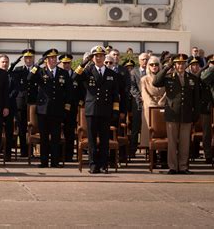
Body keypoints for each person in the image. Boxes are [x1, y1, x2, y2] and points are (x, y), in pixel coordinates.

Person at [73, 45, 120, 174]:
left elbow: (115, 94)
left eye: (101, 56)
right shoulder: (88, 71)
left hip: (105, 110)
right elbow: (74, 77)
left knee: (104, 139)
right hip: (91, 110)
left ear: (104, 57)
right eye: (96, 56)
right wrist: (83, 63)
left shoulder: (112, 74)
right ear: (92, 58)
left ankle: (104, 164)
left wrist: (115, 111)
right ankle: (93, 165)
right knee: (92, 140)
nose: (98, 58)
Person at [153, 54, 200, 174]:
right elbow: (156, 82)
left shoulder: (192, 78)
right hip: (172, 114)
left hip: (187, 114)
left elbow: (196, 98)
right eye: (178, 63)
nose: (181, 65)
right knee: (172, 142)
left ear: (186, 64)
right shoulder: (169, 77)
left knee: (185, 143)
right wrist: (167, 67)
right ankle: (173, 167)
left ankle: (183, 167)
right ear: (174, 64)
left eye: (183, 63)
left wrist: (196, 114)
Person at [28, 49, 71, 168]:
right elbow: (29, 78)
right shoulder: (41, 71)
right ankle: (44, 161)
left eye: (55, 58)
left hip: (57, 110)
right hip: (43, 109)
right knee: (44, 137)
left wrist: (66, 108)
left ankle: (55, 162)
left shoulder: (63, 73)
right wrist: (36, 65)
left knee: (56, 137)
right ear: (46, 60)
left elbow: (68, 91)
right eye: (50, 58)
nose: (53, 60)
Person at [139, 56, 167, 168]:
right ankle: (153, 159)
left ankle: (164, 158)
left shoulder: (165, 78)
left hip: (163, 106)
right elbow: (144, 94)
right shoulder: (144, 79)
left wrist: (162, 102)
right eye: (151, 64)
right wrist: (153, 104)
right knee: (152, 132)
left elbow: (167, 92)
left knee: (163, 132)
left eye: (156, 64)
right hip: (149, 108)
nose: (154, 66)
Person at [58, 53, 83, 162]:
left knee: (69, 132)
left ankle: (68, 155)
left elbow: (82, 90)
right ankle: (58, 154)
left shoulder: (77, 75)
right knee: (57, 132)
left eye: (68, 63)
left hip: (72, 108)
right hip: (59, 107)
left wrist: (80, 103)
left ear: (71, 63)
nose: (66, 65)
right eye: (64, 63)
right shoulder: (58, 75)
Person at [12, 49, 36, 157]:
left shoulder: (37, 69)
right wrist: (15, 62)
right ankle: (23, 151)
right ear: (23, 59)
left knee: (33, 127)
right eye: (26, 57)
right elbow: (9, 72)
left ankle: (32, 151)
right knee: (21, 128)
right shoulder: (18, 70)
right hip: (21, 103)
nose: (28, 59)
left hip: (33, 102)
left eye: (30, 57)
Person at [188, 57, 213, 163]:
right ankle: (191, 153)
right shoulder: (190, 76)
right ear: (189, 66)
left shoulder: (206, 74)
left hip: (205, 108)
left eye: (197, 65)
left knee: (207, 132)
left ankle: (208, 155)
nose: (196, 66)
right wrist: (207, 66)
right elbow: (197, 78)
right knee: (190, 133)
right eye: (193, 65)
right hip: (194, 108)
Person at [129, 52, 149, 156]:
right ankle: (132, 150)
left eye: (147, 59)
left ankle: (150, 151)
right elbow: (132, 88)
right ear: (139, 61)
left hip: (150, 103)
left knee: (149, 127)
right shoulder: (133, 72)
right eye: (143, 59)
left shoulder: (152, 71)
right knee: (135, 128)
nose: (145, 61)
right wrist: (140, 97)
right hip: (138, 103)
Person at [0, 54, 18, 161]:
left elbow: (15, 90)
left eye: (6, 62)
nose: (5, 64)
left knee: (9, 132)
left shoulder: (13, 75)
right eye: (3, 62)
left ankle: (7, 154)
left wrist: (6, 99)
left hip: (10, 107)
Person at [201, 54, 214, 157]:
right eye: (212, 62)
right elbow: (203, 78)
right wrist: (212, 68)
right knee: (207, 132)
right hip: (206, 106)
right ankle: (208, 154)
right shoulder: (206, 72)